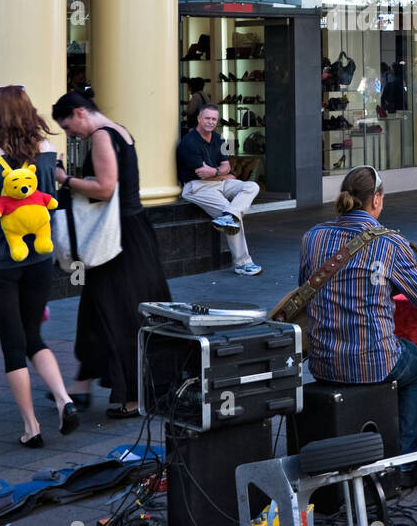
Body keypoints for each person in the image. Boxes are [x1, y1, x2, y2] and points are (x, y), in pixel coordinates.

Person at [299, 166, 417, 452]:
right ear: (376, 200)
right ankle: (405, 453)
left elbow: (305, 288)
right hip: (373, 361)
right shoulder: (388, 242)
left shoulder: (312, 237)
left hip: (323, 361)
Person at [51, 87, 170, 416]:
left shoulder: (102, 136)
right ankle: (82, 383)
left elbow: (105, 188)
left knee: (119, 313)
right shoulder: (120, 131)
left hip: (117, 240)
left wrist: (65, 179)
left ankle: (134, 397)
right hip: (130, 234)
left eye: (67, 126)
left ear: (79, 112)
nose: (69, 133)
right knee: (95, 306)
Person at [0, 86, 79, 447]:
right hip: (39, 259)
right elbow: (52, 199)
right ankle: (64, 399)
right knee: (34, 335)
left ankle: (31, 427)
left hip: (0, 260)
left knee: (13, 345)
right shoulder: (47, 152)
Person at [176, 104, 262, 275]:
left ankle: (229, 215)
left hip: (218, 182)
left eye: (214, 119)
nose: (211, 122)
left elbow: (226, 166)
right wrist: (222, 174)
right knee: (232, 217)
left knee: (251, 186)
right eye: (207, 118)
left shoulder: (217, 138)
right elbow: (203, 175)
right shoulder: (189, 143)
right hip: (196, 187)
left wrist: (218, 172)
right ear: (199, 119)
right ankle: (243, 264)